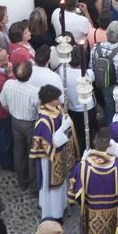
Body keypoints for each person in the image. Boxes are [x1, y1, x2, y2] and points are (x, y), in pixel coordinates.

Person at [30, 84, 79, 221]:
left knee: (62, 183)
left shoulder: (57, 109)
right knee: (53, 189)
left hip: (61, 155)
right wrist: (63, 128)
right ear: (50, 101)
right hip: (50, 160)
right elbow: (49, 145)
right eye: (57, 99)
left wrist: (66, 123)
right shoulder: (43, 121)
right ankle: (54, 214)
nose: (59, 101)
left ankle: (62, 205)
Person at [0, 58, 40, 191]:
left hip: (15, 121)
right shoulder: (35, 91)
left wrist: (14, 112)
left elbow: (3, 104)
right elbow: (40, 112)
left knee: (18, 153)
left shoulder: (8, 84)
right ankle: (34, 186)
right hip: (30, 123)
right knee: (32, 155)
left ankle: (22, 183)